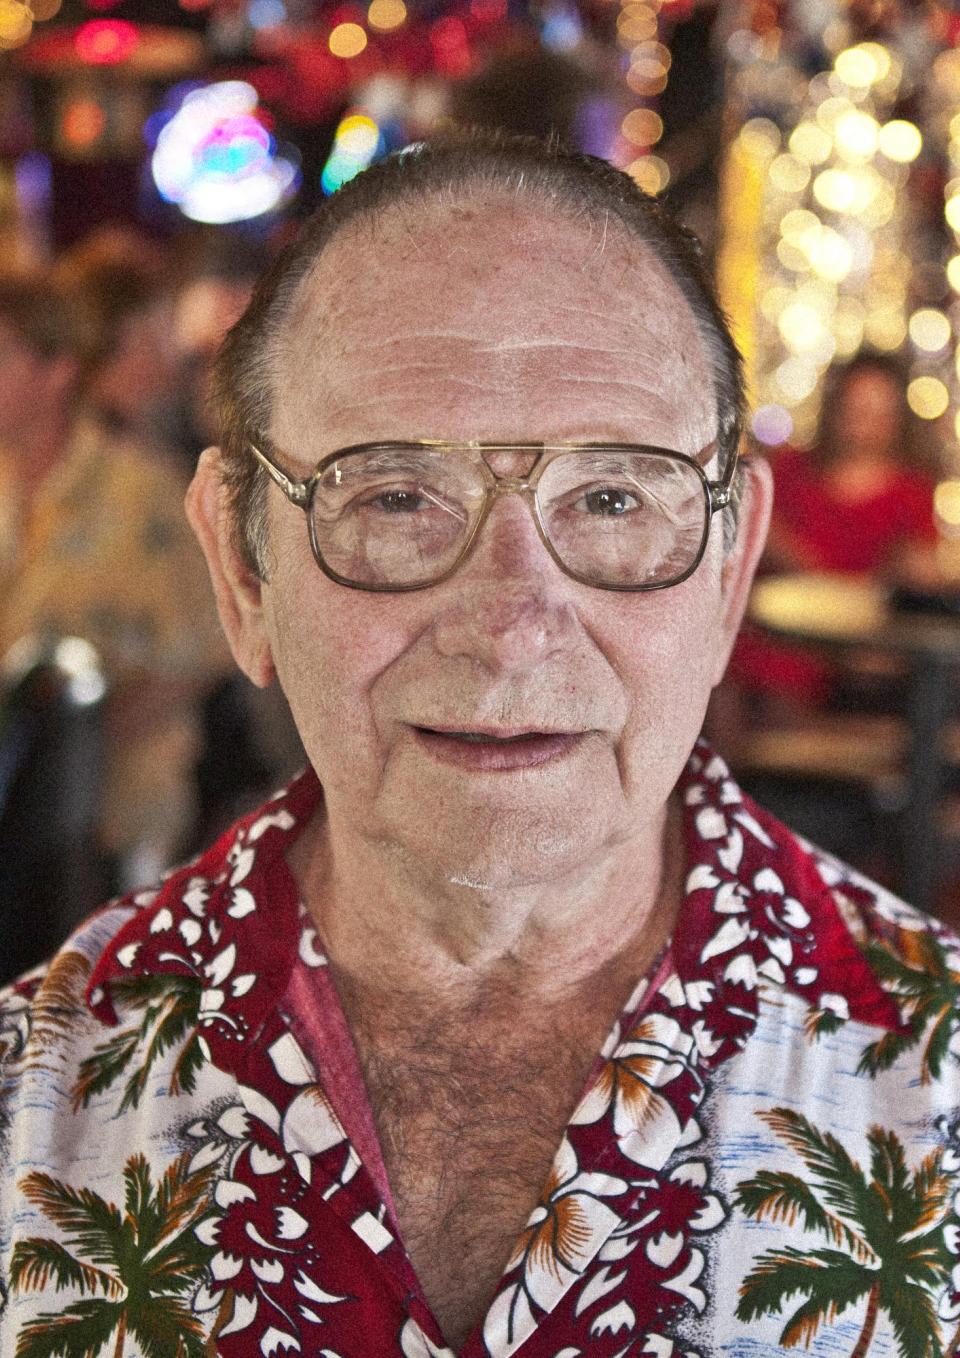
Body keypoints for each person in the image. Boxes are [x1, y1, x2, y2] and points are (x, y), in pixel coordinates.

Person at [2, 134, 960, 1358]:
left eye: (614, 497)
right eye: (394, 495)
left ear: (731, 562)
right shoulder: (33, 1107)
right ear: (241, 566)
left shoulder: (935, 1079)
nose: (512, 625)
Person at [0, 249, 229, 897]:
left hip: (121, 831)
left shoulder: (141, 492)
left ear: (57, 372)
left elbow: (204, 653)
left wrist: (74, 750)